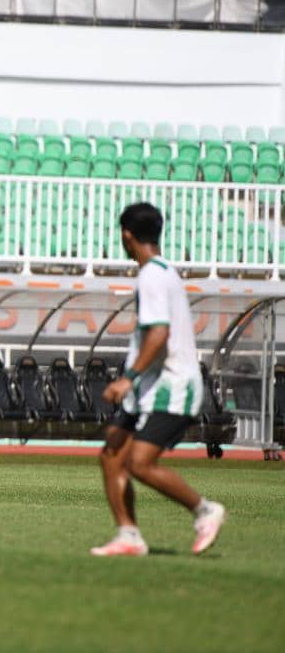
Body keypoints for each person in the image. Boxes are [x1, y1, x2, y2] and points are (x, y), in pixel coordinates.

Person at [92, 203, 225, 557]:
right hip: (148, 387)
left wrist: (128, 378)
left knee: (139, 463)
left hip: (171, 387)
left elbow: (159, 335)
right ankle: (128, 536)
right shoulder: (165, 271)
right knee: (112, 453)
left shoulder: (151, 275)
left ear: (126, 235)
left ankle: (204, 510)